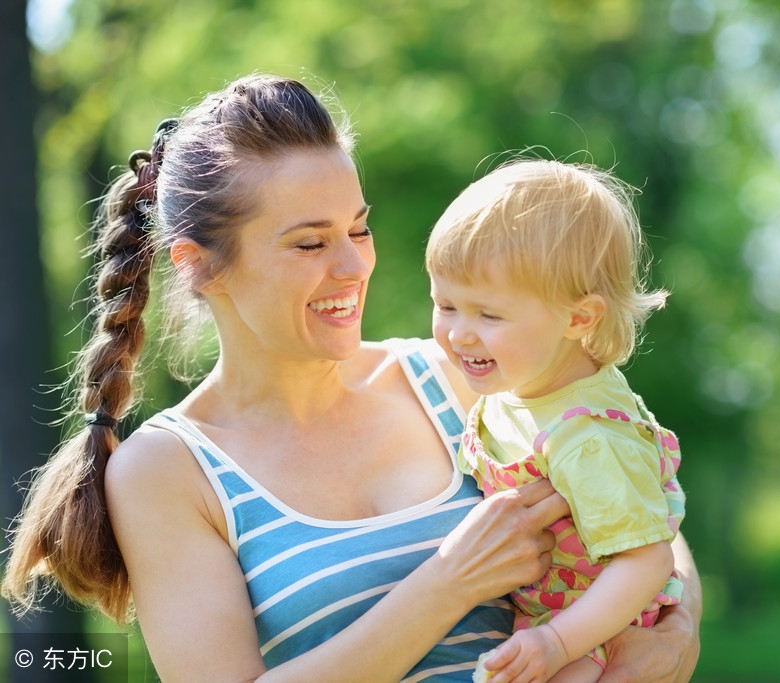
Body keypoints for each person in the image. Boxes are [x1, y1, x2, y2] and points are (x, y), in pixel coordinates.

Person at [1, 73, 702, 682]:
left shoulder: (457, 376)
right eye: (309, 242)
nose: (351, 266)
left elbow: (636, 506)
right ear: (197, 264)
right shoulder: (168, 470)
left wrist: (677, 632)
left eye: (357, 230)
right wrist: (448, 583)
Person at [426, 160, 686, 683]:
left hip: (597, 630)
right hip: (546, 618)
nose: (459, 335)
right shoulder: (518, 383)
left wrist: (556, 642)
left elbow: (648, 560)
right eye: (445, 304)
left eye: (489, 315)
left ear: (579, 317)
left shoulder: (586, 435)